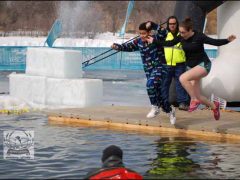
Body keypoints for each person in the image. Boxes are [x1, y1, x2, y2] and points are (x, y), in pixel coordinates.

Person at [147, 17, 236, 120]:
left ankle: (193, 99)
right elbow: (169, 44)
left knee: (182, 78)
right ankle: (214, 107)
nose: (181, 34)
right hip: (193, 68)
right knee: (199, 96)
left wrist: (227, 40)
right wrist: (154, 41)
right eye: (180, 32)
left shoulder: (199, 36)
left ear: (190, 31)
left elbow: (214, 42)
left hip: (204, 65)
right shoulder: (181, 37)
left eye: (183, 32)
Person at [111, 21, 176, 124]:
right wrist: (117, 47)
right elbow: (127, 47)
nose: (142, 35)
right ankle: (170, 111)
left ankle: (154, 107)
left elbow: (164, 32)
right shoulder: (139, 42)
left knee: (150, 85)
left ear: (149, 32)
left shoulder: (157, 38)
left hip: (160, 68)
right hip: (149, 71)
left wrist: (154, 25)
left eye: (144, 33)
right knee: (160, 96)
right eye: (140, 33)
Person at [163, 16, 189, 111]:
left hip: (180, 64)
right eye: (170, 24)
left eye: (174, 24)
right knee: (165, 84)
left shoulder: (181, 35)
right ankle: (164, 103)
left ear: (177, 24)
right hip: (168, 64)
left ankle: (182, 103)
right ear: (168, 24)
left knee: (180, 83)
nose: (172, 25)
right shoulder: (165, 34)